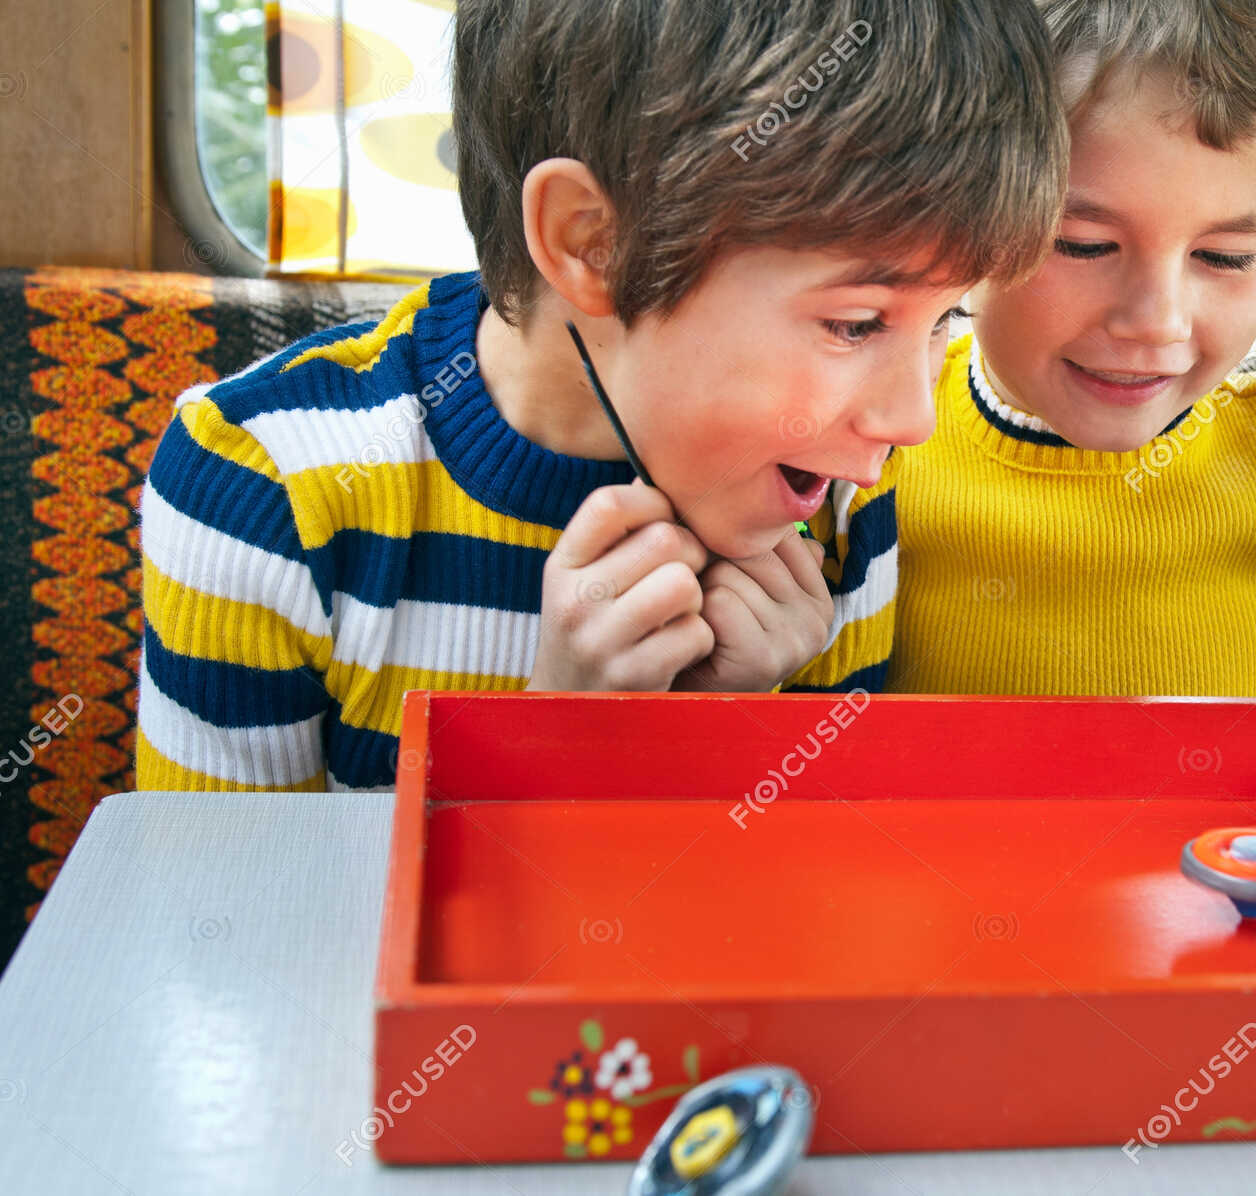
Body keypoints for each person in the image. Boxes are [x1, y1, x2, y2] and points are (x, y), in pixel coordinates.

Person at [134, 0, 1069, 789]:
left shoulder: (832, 497)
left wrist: (733, 733)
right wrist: (560, 747)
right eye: (857, 325)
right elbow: (228, 937)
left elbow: (795, 947)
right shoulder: (265, 486)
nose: (912, 421)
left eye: (949, 318)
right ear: (593, 245)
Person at [790, 0, 1256, 700]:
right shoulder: (872, 443)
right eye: (1083, 245)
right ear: (964, 216)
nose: (1156, 322)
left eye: (1226, 257)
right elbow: (812, 760)